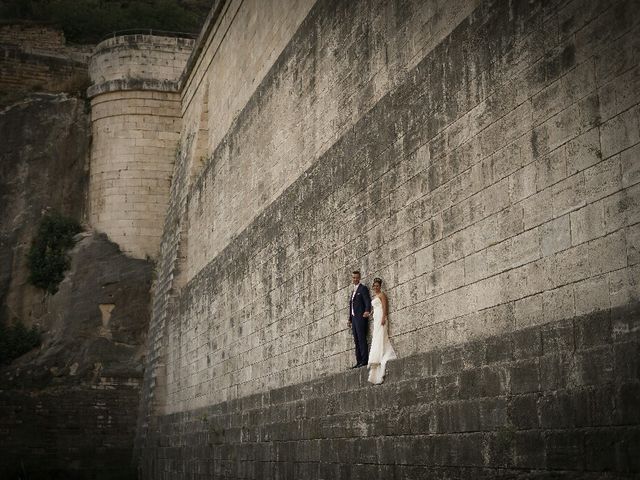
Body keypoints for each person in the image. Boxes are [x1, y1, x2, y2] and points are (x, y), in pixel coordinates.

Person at [367, 277, 397, 384]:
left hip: (381, 317)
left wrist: (384, 317)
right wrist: (369, 314)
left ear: (380, 286)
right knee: (376, 336)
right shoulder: (375, 296)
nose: (376, 287)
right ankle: (377, 355)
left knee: (381, 336)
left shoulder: (382, 295)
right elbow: (374, 308)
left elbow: (385, 307)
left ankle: (381, 353)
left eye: (377, 286)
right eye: (374, 286)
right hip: (376, 317)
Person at [347, 270, 371, 368]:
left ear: (359, 278)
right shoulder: (353, 291)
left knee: (361, 339)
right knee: (356, 340)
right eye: (353, 277)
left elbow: (367, 300)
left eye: (357, 277)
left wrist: (367, 310)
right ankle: (359, 361)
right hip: (354, 318)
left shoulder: (363, 288)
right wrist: (349, 319)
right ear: (352, 278)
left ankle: (364, 360)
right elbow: (351, 306)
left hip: (361, 318)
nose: (355, 279)